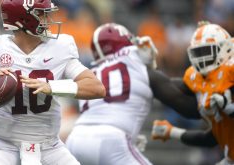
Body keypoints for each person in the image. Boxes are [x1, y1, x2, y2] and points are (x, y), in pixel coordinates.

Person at [0, 0, 106, 165]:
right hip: (4, 144)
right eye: (41, 14)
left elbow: (96, 88)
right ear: (23, 20)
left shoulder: (60, 47)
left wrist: (52, 87)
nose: (48, 19)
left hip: (49, 144)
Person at [65, 23, 201, 165]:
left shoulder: (92, 73)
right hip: (111, 140)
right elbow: (190, 109)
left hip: (75, 140)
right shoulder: (136, 66)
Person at [151, 21, 234, 165]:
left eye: (208, 51)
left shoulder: (230, 70)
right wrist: (172, 132)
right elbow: (211, 139)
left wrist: (230, 108)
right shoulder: (199, 79)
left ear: (225, 48)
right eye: (198, 52)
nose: (203, 59)